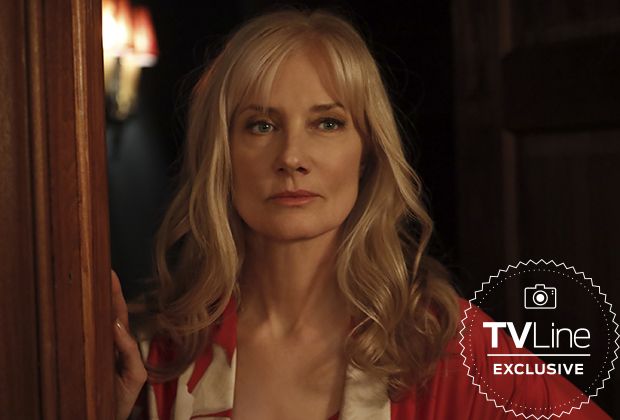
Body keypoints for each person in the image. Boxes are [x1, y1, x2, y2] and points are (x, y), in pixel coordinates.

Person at [111, 8, 611, 420]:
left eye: (327, 123)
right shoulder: (158, 352)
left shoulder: (443, 342)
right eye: (261, 125)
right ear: (222, 155)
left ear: (367, 153)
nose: (292, 157)